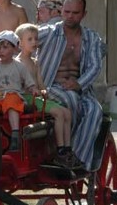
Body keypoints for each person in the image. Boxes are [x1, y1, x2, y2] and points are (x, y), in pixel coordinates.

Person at [36, 0, 104, 170]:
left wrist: (79, 83)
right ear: (61, 11)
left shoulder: (92, 38)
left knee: (95, 111)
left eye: (75, 13)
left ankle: (78, 158)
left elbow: (95, 66)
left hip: (81, 89)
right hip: (50, 86)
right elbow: (22, 39)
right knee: (70, 99)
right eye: (66, 12)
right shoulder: (47, 32)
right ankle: (64, 152)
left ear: (84, 14)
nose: (70, 16)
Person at [15, 23, 81, 168]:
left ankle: (67, 148)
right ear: (20, 43)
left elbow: (40, 83)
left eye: (36, 39)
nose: (34, 42)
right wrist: (34, 91)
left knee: (67, 112)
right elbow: (21, 86)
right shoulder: (18, 63)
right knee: (59, 113)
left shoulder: (35, 62)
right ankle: (60, 150)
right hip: (28, 98)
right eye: (30, 39)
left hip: (38, 98)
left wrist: (44, 91)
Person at [0, 30, 34, 151]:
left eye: (5, 47)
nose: (1, 51)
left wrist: (33, 89)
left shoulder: (19, 66)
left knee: (11, 102)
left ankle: (15, 135)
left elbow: (29, 82)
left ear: (14, 49)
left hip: (13, 95)